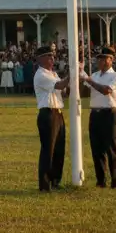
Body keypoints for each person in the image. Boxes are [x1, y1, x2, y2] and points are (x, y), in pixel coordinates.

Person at [82, 45, 116, 190]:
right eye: (98, 59)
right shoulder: (95, 75)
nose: (100, 61)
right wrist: (80, 75)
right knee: (97, 149)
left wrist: (89, 80)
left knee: (111, 149)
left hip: (109, 114)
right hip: (95, 114)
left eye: (103, 58)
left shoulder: (115, 76)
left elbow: (106, 90)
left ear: (110, 60)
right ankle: (101, 181)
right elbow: (85, 90)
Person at [33, 44, 71, 192]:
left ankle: (56, 180)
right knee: (48, 150)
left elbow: (64, 92)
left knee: (59, 150)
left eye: (53, 56)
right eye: (49, 56)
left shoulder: (53, 74)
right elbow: (60, 86)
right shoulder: (41, 75)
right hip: (47, 114)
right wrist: (72, 74)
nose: (52, 58)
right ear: (40, 58)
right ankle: (45, 184)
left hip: (58, 113)